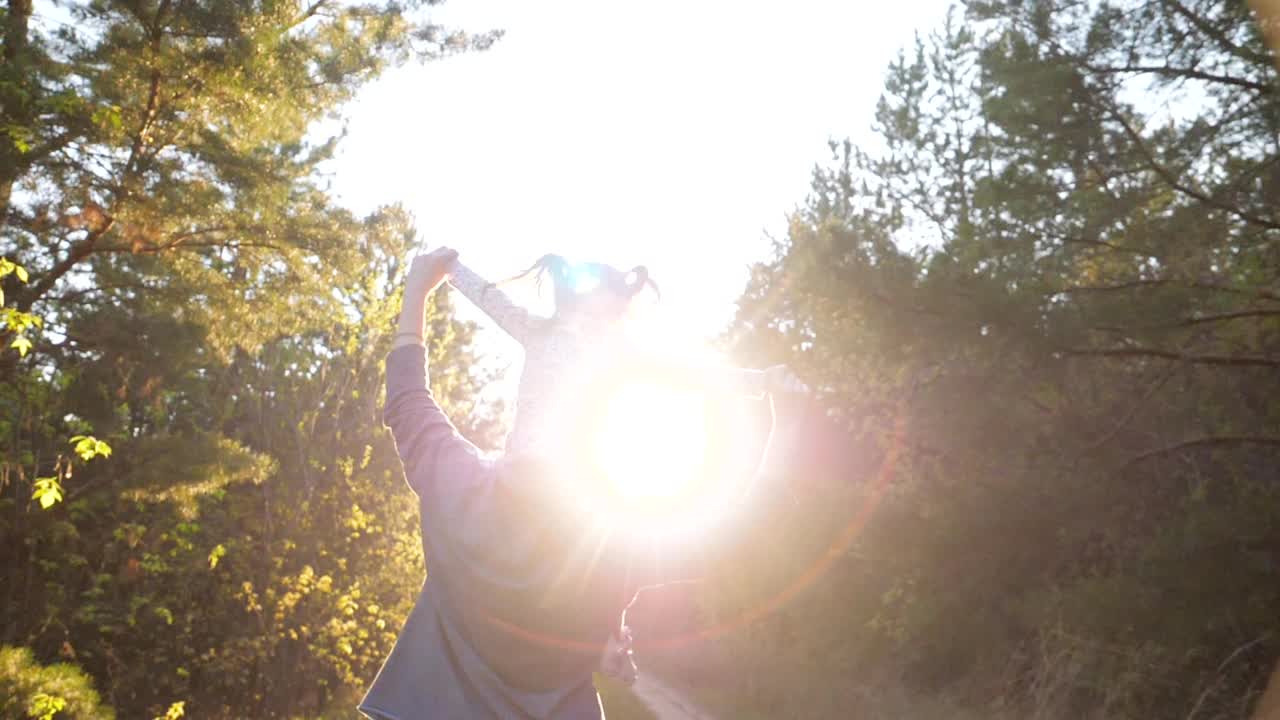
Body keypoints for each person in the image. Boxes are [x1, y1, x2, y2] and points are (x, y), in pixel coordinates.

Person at [359, 247, 807, 720]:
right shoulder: (611, 544)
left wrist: (421, 287)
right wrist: (783, 418)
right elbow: (739, 531)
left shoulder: (459, 491)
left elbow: (407, 402)